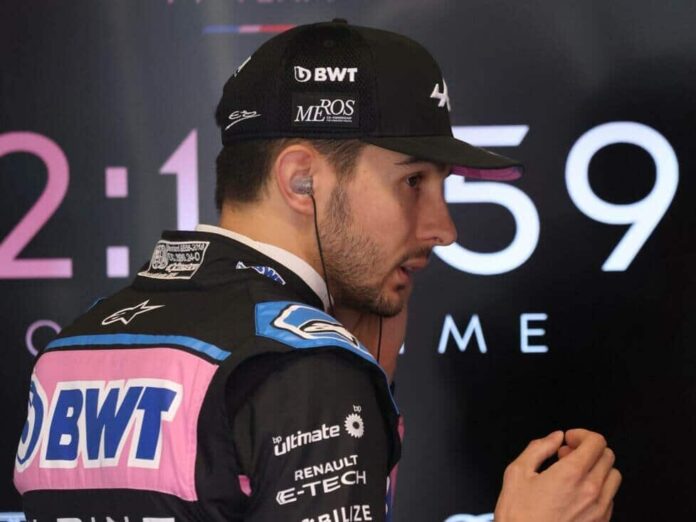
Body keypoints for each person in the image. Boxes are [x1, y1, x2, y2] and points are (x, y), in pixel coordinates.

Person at [14, 19, 621, 522]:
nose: (445, 228)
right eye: (413, 181)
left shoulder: (73, 347)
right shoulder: (301, 365)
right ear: (301, 179)